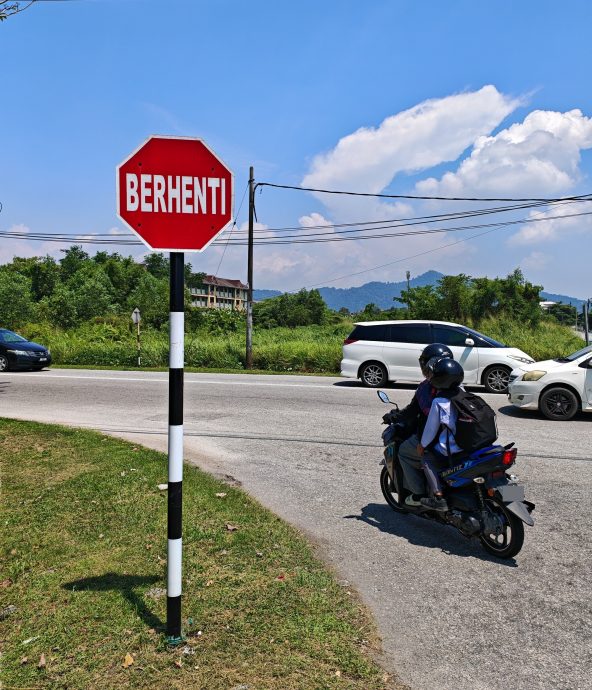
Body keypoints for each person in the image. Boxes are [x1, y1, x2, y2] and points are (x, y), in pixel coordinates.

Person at [397, 343, 453, 507]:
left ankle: (419, 496)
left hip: (441, 443)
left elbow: (429, 428)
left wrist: (422, 444)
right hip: (466, 442)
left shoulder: (429, 391)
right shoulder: (460, 388)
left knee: (405, 452)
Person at [416, 357, 465, 511]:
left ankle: (438, 497)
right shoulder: (466, 393)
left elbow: (431, 429)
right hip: (475, 443)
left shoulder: (439, 401)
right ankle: (516, 497)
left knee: (426, 457)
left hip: (453, 447)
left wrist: (422, 445)